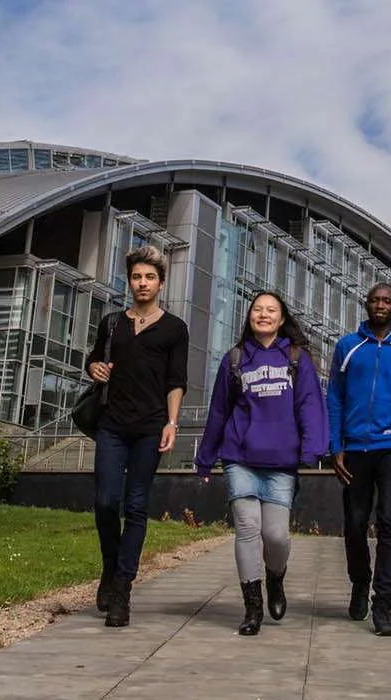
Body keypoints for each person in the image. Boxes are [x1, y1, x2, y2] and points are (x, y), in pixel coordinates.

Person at [194, 291, 328, 636]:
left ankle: (275, 578)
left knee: (276, 536)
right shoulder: (235, 358)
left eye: (271, 310)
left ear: (282, 319)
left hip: (281, 462)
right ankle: (252, 607)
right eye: (258, 309)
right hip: (240, 456)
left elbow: (310, 405)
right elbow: (219, 410)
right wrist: (206, 457)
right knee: (248, 529)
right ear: (249, 316)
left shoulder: (298, 358)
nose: (264, 315)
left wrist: (312, 450)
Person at [86, 246, 188, 628]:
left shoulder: (175, 328)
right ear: (128, 281)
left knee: (137, 505)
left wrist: (172, 423)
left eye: (149, 277)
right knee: (106, 501)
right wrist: (93, 367)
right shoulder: (112, 323)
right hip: (111, 424)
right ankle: (110, 569)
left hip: (150, 427)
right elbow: (94, 359)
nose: (142, 283)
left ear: (161, 283)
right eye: (136, 277)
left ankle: (123, 589)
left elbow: (177, 380)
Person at [327, 282, 391, 637]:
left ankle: (383, 604)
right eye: (375, 300)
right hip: (354, 449)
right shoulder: (347, 346)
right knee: (354, 524)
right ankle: (360, 581)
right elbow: (335, 398)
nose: (380, 305)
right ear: (366, 304)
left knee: (389, 524)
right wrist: (335, 444)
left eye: (387, 300)